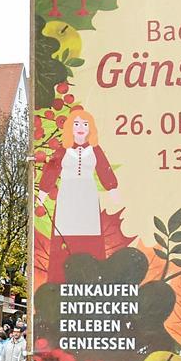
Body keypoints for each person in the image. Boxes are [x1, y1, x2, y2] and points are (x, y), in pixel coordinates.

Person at [37, 107, 120, 284]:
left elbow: (104, 169)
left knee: (89, 234)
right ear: (70, 127)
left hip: (87, 195)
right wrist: (42, 193)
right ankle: (60, 281)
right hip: (68, 195)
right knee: (65, 236)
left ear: (91, 128)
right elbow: (51, 171)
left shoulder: (95, 149)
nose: (80, 127)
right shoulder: (62, 150)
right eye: (76, 124)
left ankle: (93, 280)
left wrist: (113, 189)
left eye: (85, 124)